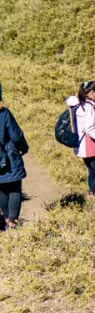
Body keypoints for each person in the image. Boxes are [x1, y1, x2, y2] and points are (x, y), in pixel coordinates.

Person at [65, 81, 95, 198]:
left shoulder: (78, 103)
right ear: (92, 93)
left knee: (92, 171)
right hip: (89, 144)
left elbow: (69, 99)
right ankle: (92, 195)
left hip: (80, 143)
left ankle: (93, 195)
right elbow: (90, 129)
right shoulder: (89, 107)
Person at [0, 83, 30, 231]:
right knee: (14, 188)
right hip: (9, 156)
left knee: (1, 188)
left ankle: (6, 218)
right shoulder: (4, 113)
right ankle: (13, 221)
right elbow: (16, 136)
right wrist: (23, 148)